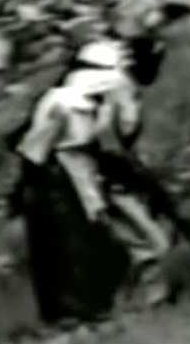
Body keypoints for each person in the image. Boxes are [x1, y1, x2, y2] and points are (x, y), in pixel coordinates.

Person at [12, 38, 171, 326]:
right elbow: (116, 139)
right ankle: (108, 307)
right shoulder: (77, 102)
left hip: (87, 174)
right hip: (77, 175)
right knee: (93, 244)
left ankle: (122, 304)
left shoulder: (80, 99)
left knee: (107, 241)